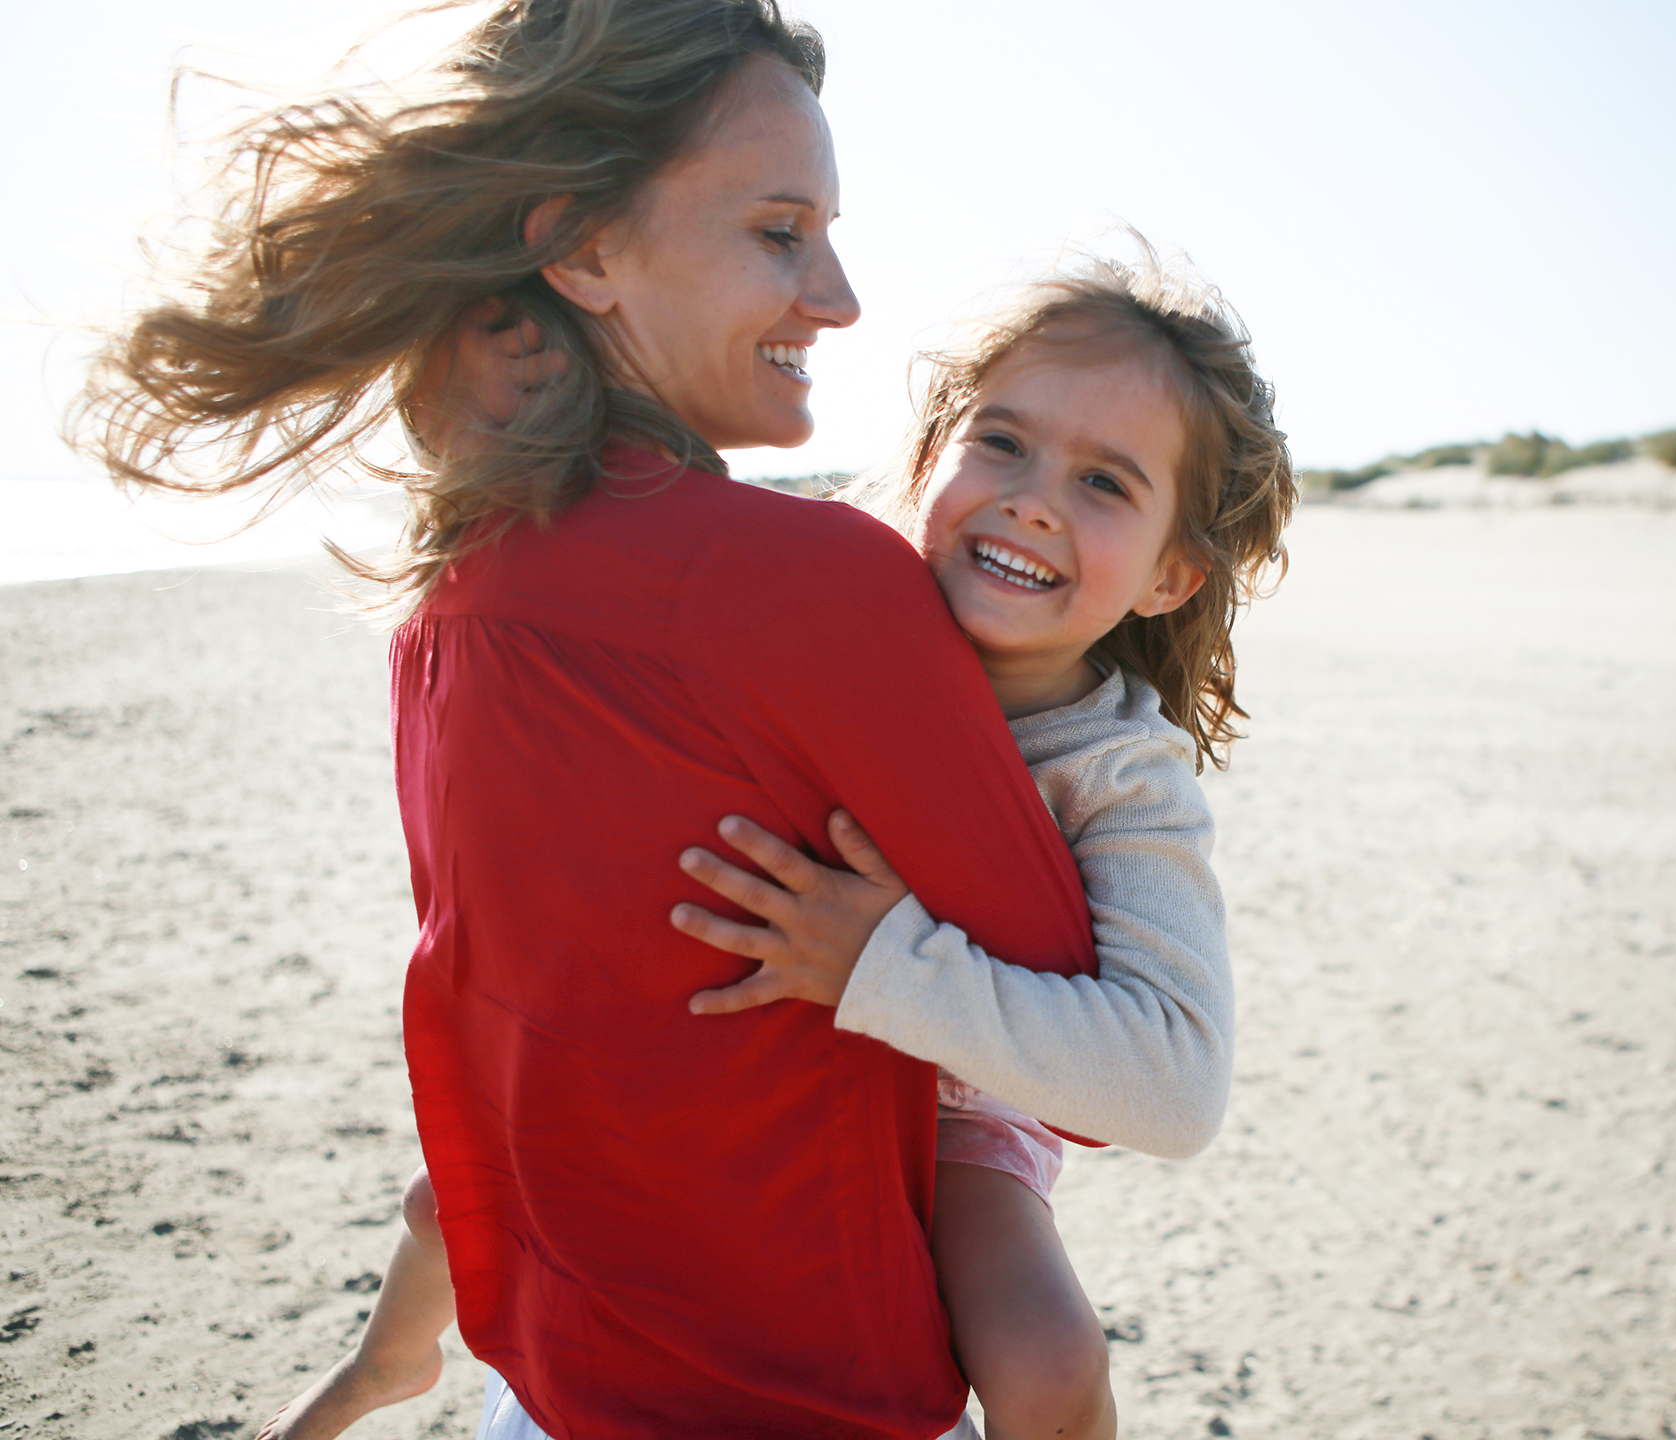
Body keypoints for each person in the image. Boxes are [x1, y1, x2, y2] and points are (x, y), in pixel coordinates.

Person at [75, 2, 1127, 1435]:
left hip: (552, 1393)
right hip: (817, 1402)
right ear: (583, 251)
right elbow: (1079, 1050)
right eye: (778, 231)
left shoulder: (444, 598)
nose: (839, 295)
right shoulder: (815, 584)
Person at [260, 250, 1297, 1440]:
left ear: (1172, 575)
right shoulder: (818, 589)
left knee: (1049, 1361)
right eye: (1001, 443)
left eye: (1106, 482)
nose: (1034, 499)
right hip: (759, 1021)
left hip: (962, 1106)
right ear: (931, 456)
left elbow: (1174, 1091)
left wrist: (883, 966)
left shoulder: (1125, 777)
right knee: (471, 1194)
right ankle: (387, 1365)